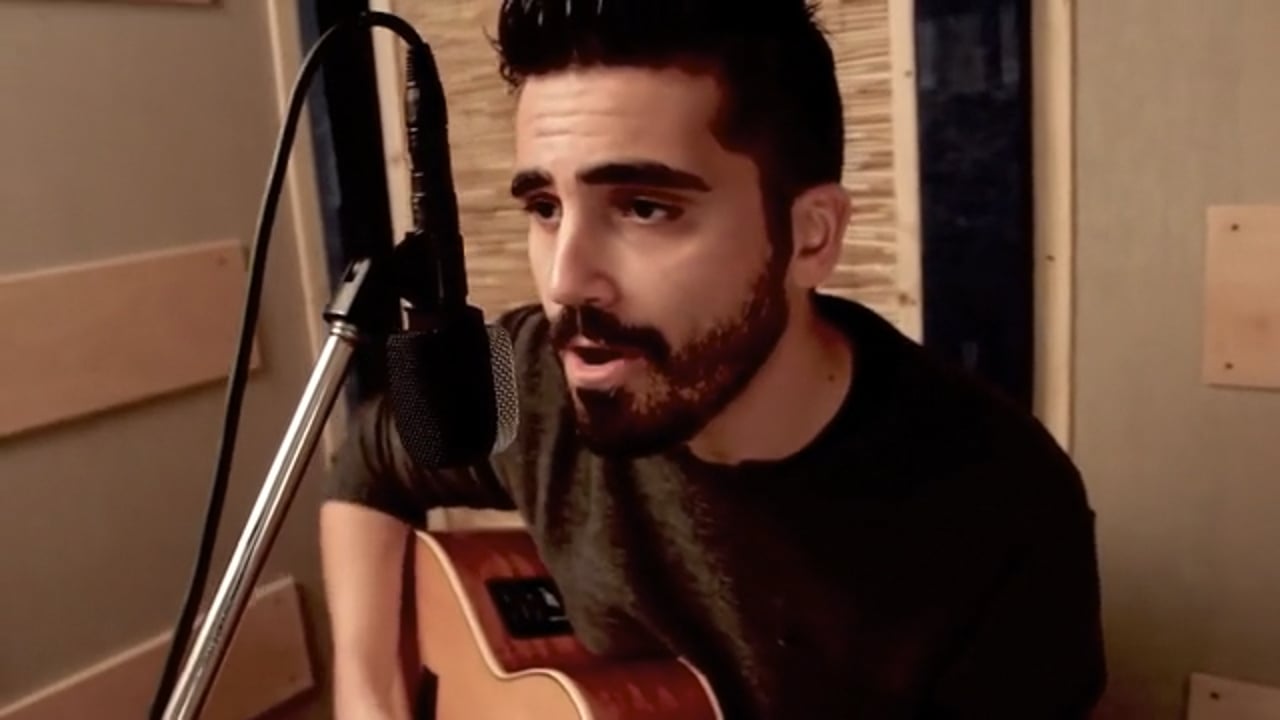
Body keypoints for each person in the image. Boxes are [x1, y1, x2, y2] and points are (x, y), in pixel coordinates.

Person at [319, 1, 1107, 718]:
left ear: (810, 238)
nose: (565, 281)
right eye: (546, 208)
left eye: (644, 207)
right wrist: (369, 698)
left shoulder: (1004, 510)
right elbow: (371, 464)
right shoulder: (536, 373)